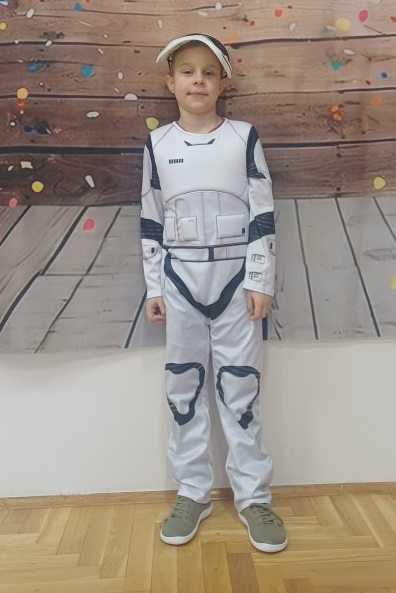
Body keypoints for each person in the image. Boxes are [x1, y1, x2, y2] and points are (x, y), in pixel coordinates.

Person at [140, 33, 287, 553]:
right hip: (179, 284)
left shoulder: (243, 137)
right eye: (187, 71)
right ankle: (192, 491)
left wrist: (259, 280)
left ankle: (253, 498)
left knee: (240, 387)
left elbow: (263, 213)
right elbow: (150, 217)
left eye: (208, 72)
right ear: (170, 82)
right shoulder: (157, 144)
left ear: (223, 83)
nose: (197, 80)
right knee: (183, 386)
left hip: (236, 285)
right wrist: (154, 285)